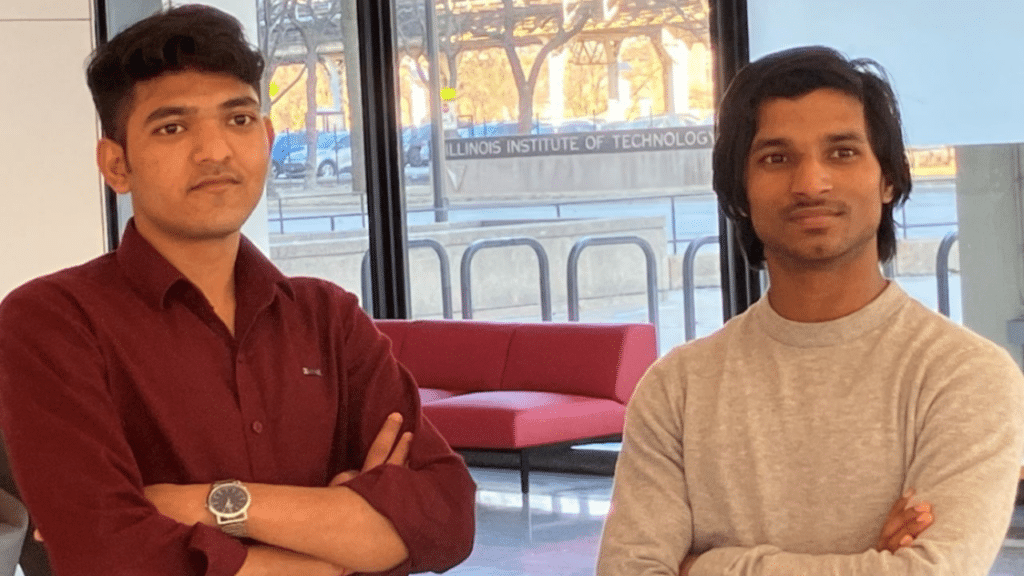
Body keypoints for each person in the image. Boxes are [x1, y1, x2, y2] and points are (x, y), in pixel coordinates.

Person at [0, 4, 475, 576]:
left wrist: (206, 504)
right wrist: (337, 549)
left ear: (268, 137)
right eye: (172, 127)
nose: (216, 151)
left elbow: (448, 521)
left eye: (239, 119)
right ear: (116, 165)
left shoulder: (329, 319)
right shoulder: (50, 322)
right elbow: (107, 555)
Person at [596, 46, 1024, 576]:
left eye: (842, 153)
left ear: (887, 179)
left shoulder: (965, 376)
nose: (810, 184)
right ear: (741, 191)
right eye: (776, 158)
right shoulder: (676, 388)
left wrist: (706, 566)